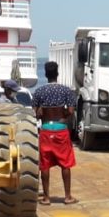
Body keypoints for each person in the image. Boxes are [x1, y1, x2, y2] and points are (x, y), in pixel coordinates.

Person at [32, 61, 78, 205]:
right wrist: (63, 115)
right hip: (61, 130)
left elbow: (36, 113)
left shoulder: (39, 91)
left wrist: (43, 113)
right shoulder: (66, 91)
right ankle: (67, 196)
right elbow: (71, 111)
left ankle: (46, 198)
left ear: (45, 74)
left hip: (45, 130)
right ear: (57, 74)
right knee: (65, 164)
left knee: (45, 165)